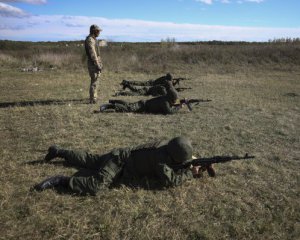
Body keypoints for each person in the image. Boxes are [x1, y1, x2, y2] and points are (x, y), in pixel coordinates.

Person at [32, 137, 214, 195]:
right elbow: (169, 181)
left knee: (91, 160)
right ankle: (60, 180)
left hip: (119, 154)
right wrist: (191, 174)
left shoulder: (168, 150)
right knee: (97, 186)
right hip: (119, 163)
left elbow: (179, 163)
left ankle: (59, 151)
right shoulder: (161, 160)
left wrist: (194, 164)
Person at [101, 81, 185, 114]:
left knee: (128, 104)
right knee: (128, 109)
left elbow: (173, 103)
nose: (175, 100)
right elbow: (169, 112)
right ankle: (111, 106)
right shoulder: (165, 102)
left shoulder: (166, 98)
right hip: (143, 106)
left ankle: (113, 101)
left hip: (143, 103)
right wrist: (179, 106)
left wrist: (181, 101)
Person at [85, 24, 103, 104]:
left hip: (95, 62)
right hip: (93, 63)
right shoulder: (90, 40)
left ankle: (94, 97)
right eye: (98, 31)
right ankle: (93, 99)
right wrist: (97, 64)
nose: (99, 33)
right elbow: (93, 54)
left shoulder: (93, 39)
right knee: (94, 80)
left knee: (96, 80)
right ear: (94, 31)